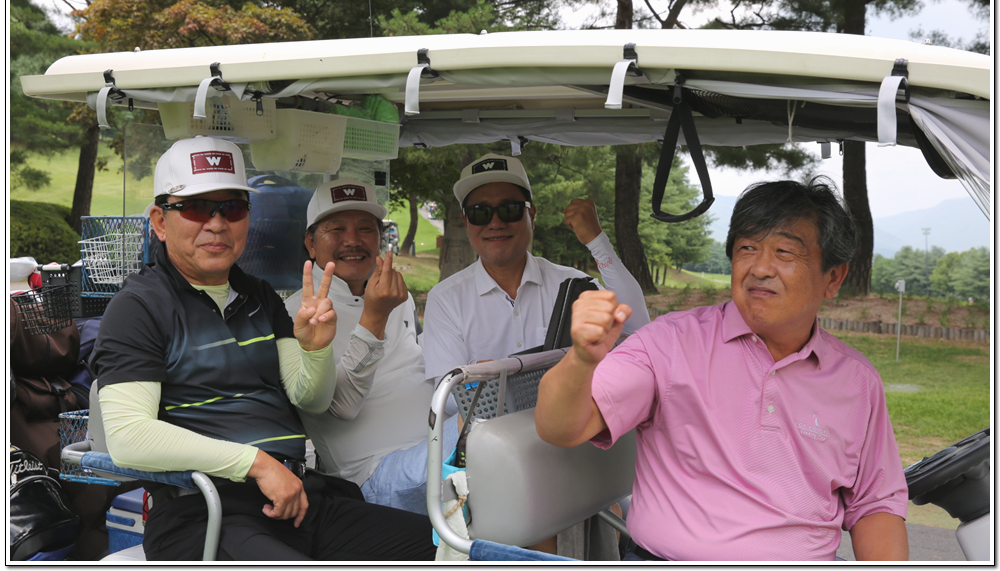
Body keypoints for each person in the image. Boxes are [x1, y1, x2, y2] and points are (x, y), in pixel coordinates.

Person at [91, 136, 436, 561]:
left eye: (232, 208)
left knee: (446, 552)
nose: (217, 224)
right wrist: (258, 464)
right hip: (206, 513)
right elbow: (128, 437)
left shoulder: (259, 296)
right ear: (161, 222)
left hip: (301, 499)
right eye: (197, 208)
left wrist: (316, 350)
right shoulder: (138, 307)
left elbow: (310, 398)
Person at [535, 178, 910, 562]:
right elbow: (559, 427)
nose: (760, 268)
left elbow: (875, 506)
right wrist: (581, 360)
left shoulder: (857, 382)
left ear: (833, 278)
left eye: (784, 252)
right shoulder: (670, 342)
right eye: (747, 248)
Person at [284, 179, 458, 515]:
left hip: (434, 447)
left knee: (505, 418)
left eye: (366, 228)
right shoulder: (296, 315)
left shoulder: (395, 296)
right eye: (337, 229)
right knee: (487, 429)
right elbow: (341, 407)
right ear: (311, 243)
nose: (353, 240)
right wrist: (374, 317)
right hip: (372, 477)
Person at [422, 153, 651, 383]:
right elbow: (447, 395)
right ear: (466, 222)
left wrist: (598, 242)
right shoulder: (446, 299)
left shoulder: (573, 286)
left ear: (531, 215)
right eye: (480, 213)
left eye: (510, 209)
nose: (495, 223)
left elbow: (637, 334)